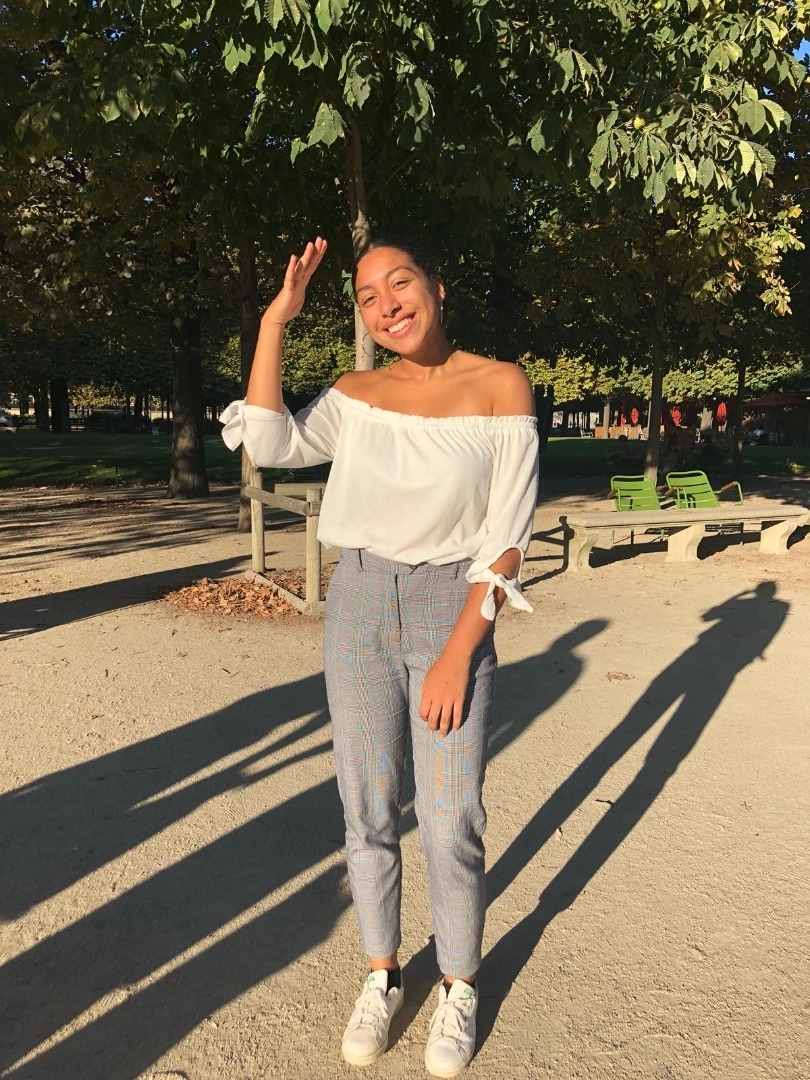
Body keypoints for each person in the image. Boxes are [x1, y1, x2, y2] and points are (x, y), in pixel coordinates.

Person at [220, 236, 539, 1077]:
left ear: (438, 285)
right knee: (366, 805)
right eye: (367, 296)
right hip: (358, 603)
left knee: (451, 814)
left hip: (450, 607)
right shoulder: (356, 393)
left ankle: (459, 984)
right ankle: (383, 973)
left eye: (400, 283)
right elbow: (270, 443)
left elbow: (507, 540)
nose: (386, 303)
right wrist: (275, 321)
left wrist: (459, 652)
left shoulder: (500, 385)